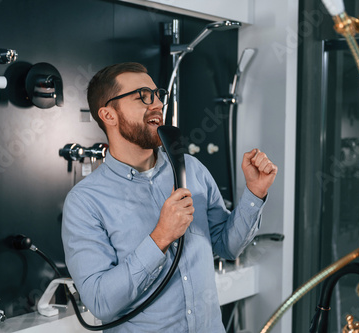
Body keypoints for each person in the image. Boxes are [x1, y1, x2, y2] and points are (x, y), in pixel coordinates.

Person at [61, 62, 278, 332]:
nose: (157, 104)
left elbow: (227, 246)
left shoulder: (191, 169)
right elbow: (100, 301)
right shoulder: (85, 202)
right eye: (143, 96)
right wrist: (161, 237)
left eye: (157, 94)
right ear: (109, 115)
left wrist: (255, 193)